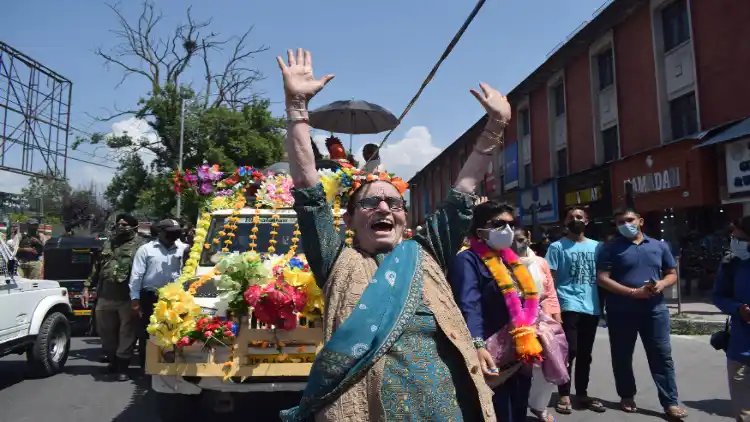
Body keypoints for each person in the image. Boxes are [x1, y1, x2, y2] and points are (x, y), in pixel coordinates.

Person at [278, 48, 505, 422]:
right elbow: (308, 189)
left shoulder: (427, 252)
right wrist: (297, 108)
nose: (384, 209)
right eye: (370, 203)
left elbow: (464, 189)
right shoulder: (338, 261)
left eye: (394, 204)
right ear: (348, 220)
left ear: (405, 217)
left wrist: (494, 127)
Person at [596, 208, 687, 419]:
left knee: (661, 356)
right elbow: (602, 278)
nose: (625, 224)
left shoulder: (659, 245)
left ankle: (670, 402)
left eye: (629, 220)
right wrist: (632, 293)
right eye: (620, 222)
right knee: (621, 356)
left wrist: (662, 284)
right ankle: (626, 395)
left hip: (654, 310)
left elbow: (671, 273)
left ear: (640, 221)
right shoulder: (610, 248)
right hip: (621, 311)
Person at [544, 206, 605, 414]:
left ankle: (582, 393)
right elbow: (549, 279)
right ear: (565, 222)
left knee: (586, 353)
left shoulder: (598, 247)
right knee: (570, 350)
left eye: (579, 216)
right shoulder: (556, 248)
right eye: (571, 217)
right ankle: (563, 393)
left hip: (592, 305)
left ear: (587, 221)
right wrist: (551, 308)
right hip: (567, 304)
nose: (576, 219)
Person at [83, 214, 144, 381]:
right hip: (105, 295)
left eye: (125, 224)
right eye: (119, 224)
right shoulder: (108, 243)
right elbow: (97, 267)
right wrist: (87, 286)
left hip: (127, 297)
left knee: (127, 333)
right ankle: (113, 362)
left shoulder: (142, 246)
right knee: (106, 332)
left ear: (134, 226)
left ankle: (122, 367)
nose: (121, 226)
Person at [513, 228, 565, 421]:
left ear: (528, 237)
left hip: (541, 318)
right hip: (513, 319)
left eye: (520, 239)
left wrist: (557, 319)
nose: (516, 244)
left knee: (550, 362)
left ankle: (538, 404)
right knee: (518, 367)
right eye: (512, 241)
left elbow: (551, 293)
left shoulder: (540, 262)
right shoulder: (500, 263)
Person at [129, 219, 186, 369]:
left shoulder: (182, 249)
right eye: (170, 233)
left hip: (175, 297)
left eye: (176, 233)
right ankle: (147, 366)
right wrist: (135, 299)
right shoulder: (146, 250)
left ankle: (170, 364)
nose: (173, 236)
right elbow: (136, 276)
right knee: (149, 332)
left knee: (173, 330)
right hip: (150, 296)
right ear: (160, 232)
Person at [712, 216, 750, 421]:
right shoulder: (731, 263)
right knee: (744, 415)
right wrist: (738, 309)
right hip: (741, 350)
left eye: (740, 238)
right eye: (733, 237)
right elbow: (718, 296)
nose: (734, 241)